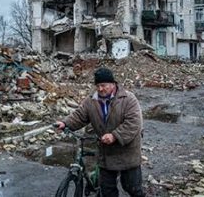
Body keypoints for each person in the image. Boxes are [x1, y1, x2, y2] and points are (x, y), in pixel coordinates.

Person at [56, 67, 145, 197]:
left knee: (133, 189)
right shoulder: (91, 100)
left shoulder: (128, 99)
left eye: (103, 85)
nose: (100, 89)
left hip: (127, 152)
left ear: (113, 84)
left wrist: (115, 135)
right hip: (106, 153)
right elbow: (80, 116)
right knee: (108, 191)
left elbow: (134, 123)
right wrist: (65, 123)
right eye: (98, 86)